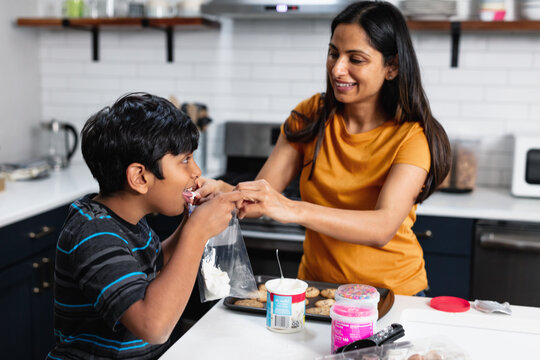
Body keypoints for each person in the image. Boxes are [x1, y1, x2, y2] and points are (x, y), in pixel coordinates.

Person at [197, 1, 451, 296]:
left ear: (391, 67)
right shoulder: (312, 115)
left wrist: (292, 208)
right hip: (318, 289)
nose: (338, 69)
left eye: (356, 59)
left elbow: (382, 227)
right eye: (334, 53)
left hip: (390, 294)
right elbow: (260, 197)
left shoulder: (412, 136)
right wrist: (220, 191)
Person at [48, 93, 244, 360]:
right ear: (140, 177)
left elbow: (153, 266)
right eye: (185, 160)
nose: (196, 171)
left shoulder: (127, 221)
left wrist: (190, 221)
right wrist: (197, 233)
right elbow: (153, 326)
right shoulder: (92, 233)